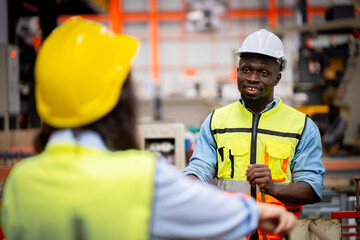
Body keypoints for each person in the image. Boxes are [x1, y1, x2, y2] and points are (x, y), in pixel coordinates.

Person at [0, 18, 296, 240]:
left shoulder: (18, 183)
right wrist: (258, 211)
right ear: (118, 100)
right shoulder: (139, 176)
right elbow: (199, 209)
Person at [183, 29, 325, 240]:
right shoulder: (216, 121)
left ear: (277, 78)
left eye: (263, 73)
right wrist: (186, 185)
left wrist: (273, 187)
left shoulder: (301, 126)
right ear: (237, 70)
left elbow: (312, 189)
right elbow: (200, 168)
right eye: (246, 70)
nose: (252, 78)